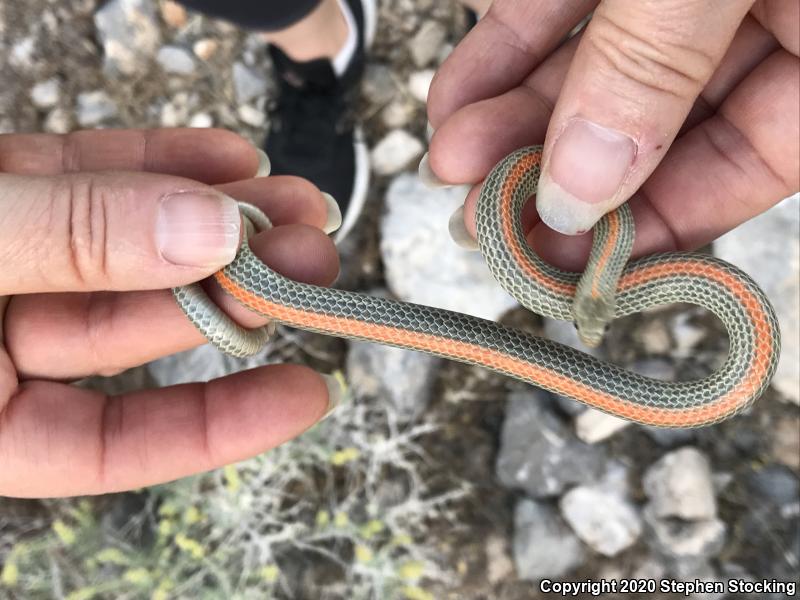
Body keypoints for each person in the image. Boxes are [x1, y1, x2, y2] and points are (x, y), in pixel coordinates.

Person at [0, 0, 796, 497]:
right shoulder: (582, 230)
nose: (580, 319)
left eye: (590, 310)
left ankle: (322, 37)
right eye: (586, 311)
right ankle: (318, 40)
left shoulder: (604, 239)